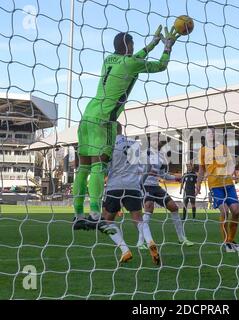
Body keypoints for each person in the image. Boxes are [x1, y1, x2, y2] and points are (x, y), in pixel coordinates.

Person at [72, 26, 180, 230]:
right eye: (132, 45)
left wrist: (152, 44)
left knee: (83, 167)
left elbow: (133, 57)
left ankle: (77, 214)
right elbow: (161, 66)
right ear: (128, 46)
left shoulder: (109, 60)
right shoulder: (131, 63)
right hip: (105, 119)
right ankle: (95, 213)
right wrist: (166, 47)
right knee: (98, 166)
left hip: (87, 114)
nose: (134, 49)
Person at [98, 123, 160, 264]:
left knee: (106, 221)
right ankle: (150, 241)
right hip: (133, 186)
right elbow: (149, 166)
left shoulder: (109, 146)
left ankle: (125, 250)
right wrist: (140, 181)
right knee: (138, 219)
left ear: (111, 130)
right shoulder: (135, 144)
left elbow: (103, 167)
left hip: (115, 186)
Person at [137, 134, 194, 249]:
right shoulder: (144, 154)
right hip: (145, 186)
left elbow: (163, 175)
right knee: (149, 209)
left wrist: (175, 178)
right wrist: (145, 173)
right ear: (150, 142)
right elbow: (136, 169)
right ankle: (140, 242)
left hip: (156, 187)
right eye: (153, 139)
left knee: (174, 207)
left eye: (157, 139)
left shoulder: (161, 157)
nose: (155, 141)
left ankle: (181, 238)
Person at [195, 127, 239, 253]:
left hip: (228, 184)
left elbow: (231, 163)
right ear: (205, 135)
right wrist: (198, 184)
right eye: (209, 132)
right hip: (215, 185)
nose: (211, 134)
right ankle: (226, 242)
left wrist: (234, 174)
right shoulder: (202, 151)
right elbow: (201, 170)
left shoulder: (224, 148)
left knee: (236, 212)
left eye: (213, 132)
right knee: (224, 212)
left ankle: (231, 240)